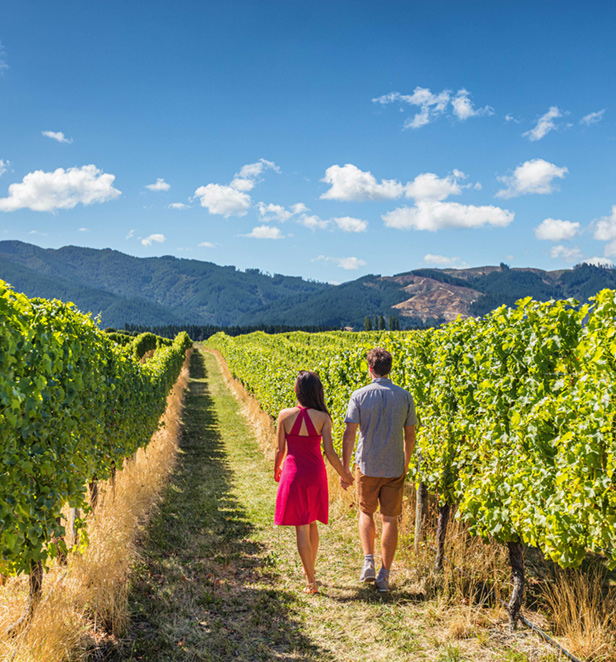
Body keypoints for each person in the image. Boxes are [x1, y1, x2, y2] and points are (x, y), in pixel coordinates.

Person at [341, 347, 416, 592]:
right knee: (390, 519)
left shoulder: (359, 396)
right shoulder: (405, 397)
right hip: (394, 465)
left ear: (370, 368)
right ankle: (384, 575)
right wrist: (405, 462)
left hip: (367, 465)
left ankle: (368, 563)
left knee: (365, 512)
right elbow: (410, 435)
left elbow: (349, 434)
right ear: (389, 368)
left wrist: (345, 468)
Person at [274, 370, 354, 594]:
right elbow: (329, 452)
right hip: (315, 474)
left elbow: (280, 449)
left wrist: (276, 470)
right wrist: (345, 475)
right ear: (318, 392)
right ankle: (311, 568)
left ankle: (310, 580)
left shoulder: (284, 415)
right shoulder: (323, 418)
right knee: (311, 522)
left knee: (301, 526)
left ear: (297, 391)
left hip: (293, 473)